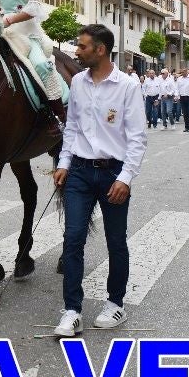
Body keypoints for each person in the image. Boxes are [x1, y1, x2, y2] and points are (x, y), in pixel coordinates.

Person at [52, 24, 146, 337]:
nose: (76, 52)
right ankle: (71, 311)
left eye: (81, 47)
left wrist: (126, 177)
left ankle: (115, 303)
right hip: (79, 171)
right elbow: (72, 128)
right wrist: (64, 163)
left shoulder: (127, 87)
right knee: (73, 238)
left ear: (100, 50)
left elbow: (137, 138)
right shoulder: (78, 82)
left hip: (113, 174)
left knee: (116, 241)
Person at [175, 68, 189, 132]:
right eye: (182, 72)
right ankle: (186, 127)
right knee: (185, 113)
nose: (183, 73)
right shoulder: (179, 79)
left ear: (187, 72)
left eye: (184, 72)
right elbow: (177, 88)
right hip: (182, 97)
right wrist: (177, 96)